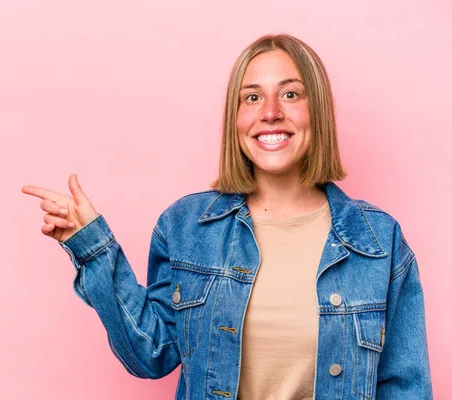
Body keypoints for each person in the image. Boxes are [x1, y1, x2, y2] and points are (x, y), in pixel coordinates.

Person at [22, 34, 433, 399]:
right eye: (252, 97)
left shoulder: (378, 241)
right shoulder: (185, 227)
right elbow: (150, 354)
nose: (269, 112)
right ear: (235, 120)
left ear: (318, 111)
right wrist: (92, 247)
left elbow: (406, 388)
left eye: (290, 94)